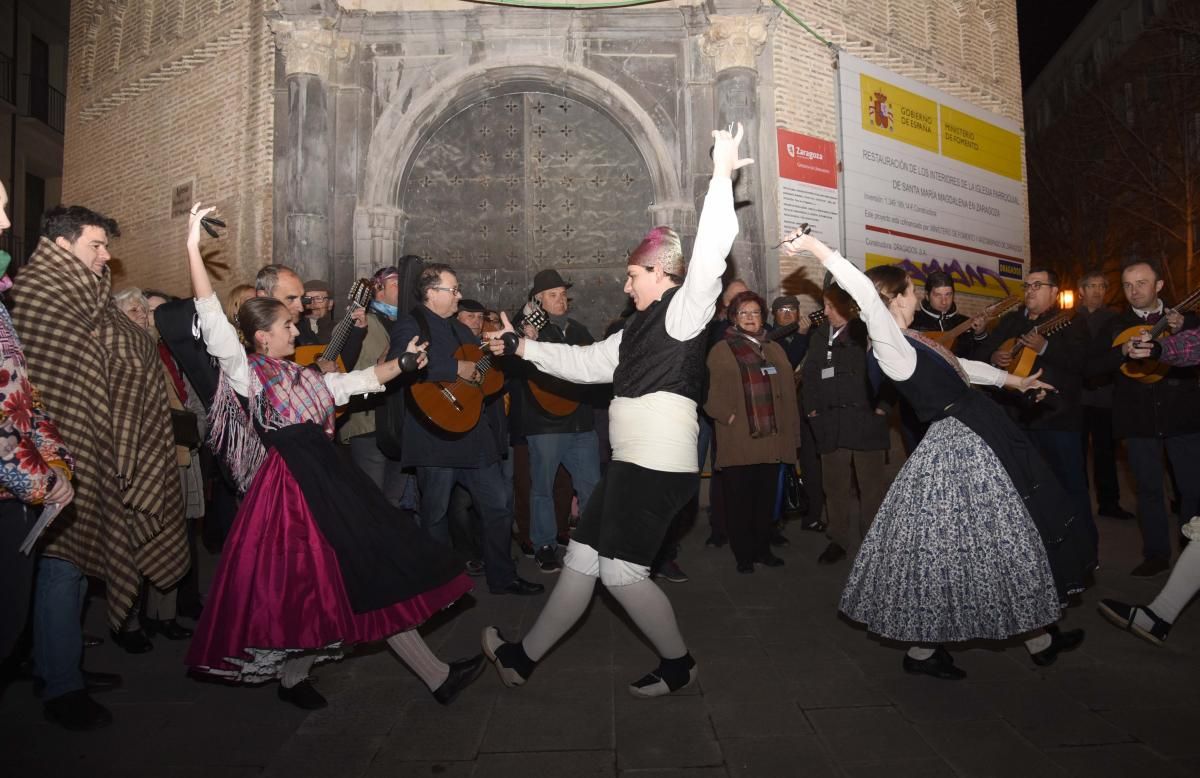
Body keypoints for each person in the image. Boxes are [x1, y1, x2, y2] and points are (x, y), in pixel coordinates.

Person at [478, 123, 751, 698]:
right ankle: (521, 660)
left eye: (632, 276)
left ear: (660, 272)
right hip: (630, 467)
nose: (626, 287)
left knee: (621, 573)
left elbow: (710, 254)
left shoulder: (683, 310)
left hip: (657, 467)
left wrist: (722, 175)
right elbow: (582, 364)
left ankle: (679, 664)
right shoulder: (631, 333)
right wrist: (521, 348)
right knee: (582, 561)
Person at [181, 204, 485, 710]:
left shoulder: (303, 376)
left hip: (324, 475)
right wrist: (192, 246)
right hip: (289, 490)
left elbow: (352, 383)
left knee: (348, 576)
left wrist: (403, 364)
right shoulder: (246, 373)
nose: (296, 331)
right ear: (261, 336)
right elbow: (211, 314)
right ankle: (310, 677)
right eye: (285, 325)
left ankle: (405, 676)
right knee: (320, 582)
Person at [781, 231, 1091, 679]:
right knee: (965, 549)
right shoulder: (889, 346)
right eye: (909, 288)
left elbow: (963, 369)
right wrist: (815, 249)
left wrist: (1017, 383)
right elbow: (866, 295)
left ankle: (1037, 637)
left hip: (978, 433)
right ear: (899, 297)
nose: (915, 293)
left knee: (998, 543)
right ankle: (926, 652)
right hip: (961, 448)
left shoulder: (914, 340)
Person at [12, 205, 186, 730]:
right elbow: (39, 382)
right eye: (97, 245)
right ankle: (60, 684)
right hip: (37, 458)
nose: (107, 256)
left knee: (68, 564)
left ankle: (58, 666)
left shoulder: (85, 296)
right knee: (61, 565)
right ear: (62, 244)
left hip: (83, 449)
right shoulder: (38, 295)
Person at [388, 263, 544, 598]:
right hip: (435, 437)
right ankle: (442, 586)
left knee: (499, 506)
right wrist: (453, 366)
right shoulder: (411, 323)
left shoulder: (460, 331)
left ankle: (502, 577)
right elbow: (399, 362)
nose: (459, 296)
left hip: (473, 437)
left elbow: (483, 375)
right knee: (435, 515)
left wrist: (510, 350)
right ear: (431, 292)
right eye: (453, 289)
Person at [0, 182, 77, 710]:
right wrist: (39, 479)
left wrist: (56, 462)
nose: (7, 223)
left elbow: (23, 395)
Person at [1085, 260, 1200, 577]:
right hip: (1137, 420)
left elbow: (1195, 351)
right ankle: (1156, 554)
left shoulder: (1185, 319)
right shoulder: (1114, 324)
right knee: (1148, 490)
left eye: (1142, 283)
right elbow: (1090, 368)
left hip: (1183, 417)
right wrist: (1121, 351)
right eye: (1127, 285)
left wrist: (1182, 331)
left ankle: (1193, 554)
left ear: (1159, 285)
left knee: (1192, 488)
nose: (1134, 291)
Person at [974, 268, 1096, 555]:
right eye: (1027, 285)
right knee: (1030, 491)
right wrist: (993, 356)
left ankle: (1086, 553)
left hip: (1058, 420)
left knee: (1071, 488)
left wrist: (1045, 348)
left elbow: (1083, 365)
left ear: (1054, 292)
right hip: (1018, 421)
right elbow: (981, 357)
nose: (1029, 290)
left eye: (1037, 285)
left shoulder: (1071, 321)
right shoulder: (1012, 321)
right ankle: (1043, 555)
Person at [704, 290, 800, 573]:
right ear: (733, 318)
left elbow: (789, 394)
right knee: (740, 501)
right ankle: (743, 554)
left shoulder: (774, 348)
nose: (749, 318)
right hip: (740, 439)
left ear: (763, 318)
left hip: (772, 438)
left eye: (755, 313)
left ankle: (762, 549)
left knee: (765, 500)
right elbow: (707, 391)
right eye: (743, 313)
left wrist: (792, 434)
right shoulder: (722, 350)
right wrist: (728, 415)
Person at [512, 269, 601, 574]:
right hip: (544, 422)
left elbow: (595, 363)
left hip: (580, 420)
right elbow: (514, 349)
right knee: (542, 487)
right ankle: (545, 545)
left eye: (563, 294)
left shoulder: (578, 330)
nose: (561, 299)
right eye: (553, 294)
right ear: (536, 300)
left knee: (591, 485)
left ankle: (591, 542)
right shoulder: (528, 327)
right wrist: (527, 334)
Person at [800, 284, 892, 566]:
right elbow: (810, 377)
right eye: (825, 305)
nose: (824, 312)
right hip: (831, 423)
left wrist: (883, 407)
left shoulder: (869, 332)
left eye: (830, 306)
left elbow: (891, 368)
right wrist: (813, 412)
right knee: (835, 487)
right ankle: (837, 539)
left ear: (847, 307)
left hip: (866, 423)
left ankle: (873, 544)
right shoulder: (819, 337)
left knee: (871, 489)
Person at [1076, 271, 1134, 521]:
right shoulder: (1068, 319)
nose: (1097, 291)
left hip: (1104, 397)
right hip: (1075, 399)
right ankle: (1076, 503)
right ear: (1081, 291)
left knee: (1105, 453)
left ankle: (1109, 503)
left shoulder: (1115, 319)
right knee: (1075, 454)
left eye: (1101, 286)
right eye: (1091, 286)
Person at [910, 270, 988, 356]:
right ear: (927, 296)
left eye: (948, 294)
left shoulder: (967, 323)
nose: (944, 301)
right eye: (938, 295)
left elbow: (981, 358)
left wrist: (980, 334)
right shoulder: (912, 320)